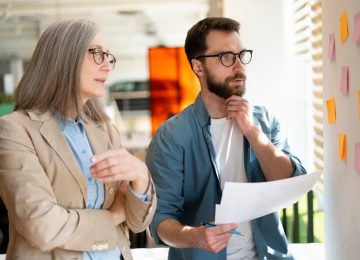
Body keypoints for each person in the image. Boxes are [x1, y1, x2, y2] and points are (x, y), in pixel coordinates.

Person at [145, 17, 306, 260]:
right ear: (198, 67)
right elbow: (159, 220)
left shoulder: (264, 120)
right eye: (226, 57)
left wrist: (252, 131)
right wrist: (193, 236)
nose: (239, 67)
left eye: (242, 56)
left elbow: (290, 182)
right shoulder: (171, 137)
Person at [0, 19, 156, 260]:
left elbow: (136, 223)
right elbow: (42, 226)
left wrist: (141, 177)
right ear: (64, 57)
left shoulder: (105, 131)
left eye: (108, 56)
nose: (107, 66)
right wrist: (112, 217)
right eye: (97, 54)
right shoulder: (14, 131)